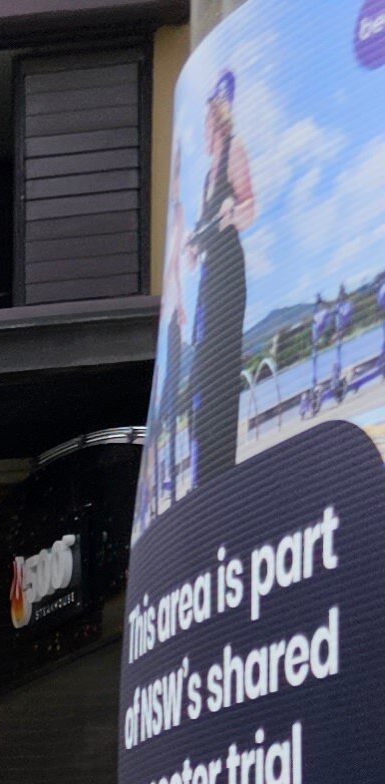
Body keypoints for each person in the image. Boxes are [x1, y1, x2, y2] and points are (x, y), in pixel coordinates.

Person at [186, 73, 254, 488]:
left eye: (211, 116)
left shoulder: (234, 151)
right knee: (202, 370)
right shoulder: (206, 176)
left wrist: (233, 212)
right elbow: (197, 234)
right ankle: (205, 469)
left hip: (229, 268)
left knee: (222, 366)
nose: (206, 126)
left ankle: (219, 471)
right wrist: (192, 248)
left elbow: (251, 206)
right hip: (209, 275)